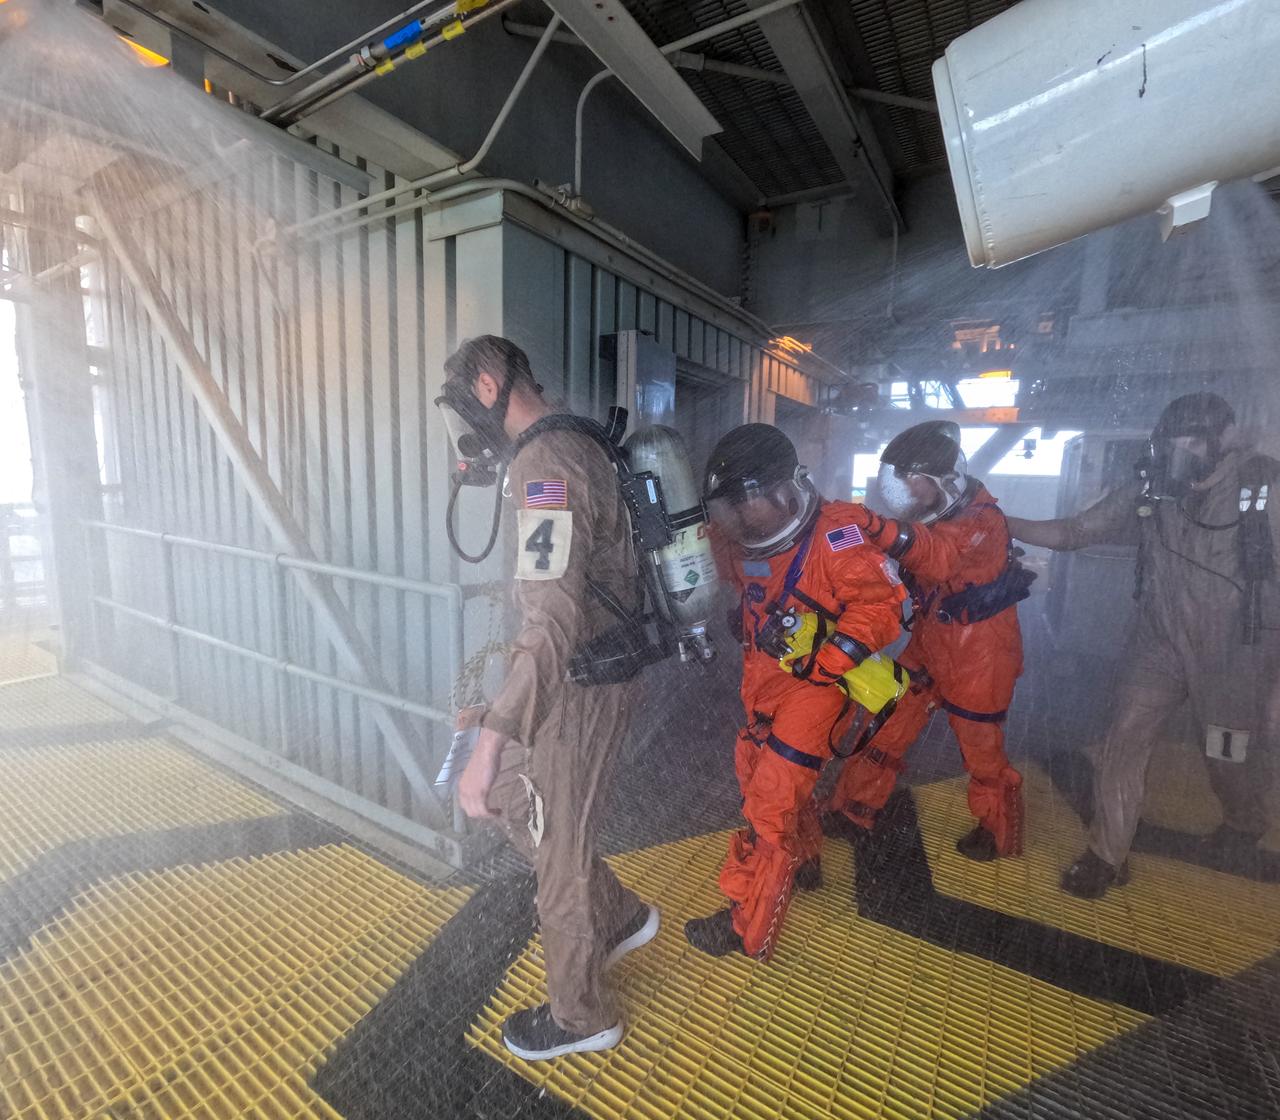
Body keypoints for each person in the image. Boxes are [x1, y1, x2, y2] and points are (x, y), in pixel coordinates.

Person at [440, 336, 660, 1060]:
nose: (466, 426)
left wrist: (492, 738)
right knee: (519, 804)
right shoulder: (577, 442)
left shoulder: (545, 466)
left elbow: (554, 620)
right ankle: (621, 915)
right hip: (582, 677)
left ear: (487, 381)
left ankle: (580, 1017)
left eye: (463, 404)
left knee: (556, 852)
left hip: (581, 687)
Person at [1006, 392, 1280, 898]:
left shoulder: (1263, 486)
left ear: (1225, 439)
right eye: (1174, 443)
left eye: (1196, 442)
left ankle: (1244, 820)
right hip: (1157, 643)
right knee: (1123, 740)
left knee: (1227, 756)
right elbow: (1075, 531)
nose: (1184, 455)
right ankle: (1106, 854)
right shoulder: (1151, 488)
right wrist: (999, 522)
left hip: (1233, 653)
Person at [684, 424, 905, 960]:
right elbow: (697, 572)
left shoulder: (837, 536)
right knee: (758, 775)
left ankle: (747, 927)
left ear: (784, 491)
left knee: (770, 804)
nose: (734, 520)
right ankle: (802, 862)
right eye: (726, 508)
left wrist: (826, 662)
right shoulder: (734, 539)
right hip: (764, 682)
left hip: (817, 689)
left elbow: (881, 607)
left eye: (744, 505)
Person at [825, 421, 1031, 860]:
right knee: (889, 720)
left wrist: (871, 523)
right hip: (933, 639)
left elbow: (935, 558)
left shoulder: (982, 520)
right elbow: (895, 546)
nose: (908, 496)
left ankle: (998, 832)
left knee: (981, 750)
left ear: (943, 482)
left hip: (982, 651)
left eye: (914, 487)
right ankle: (854, 809)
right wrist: (836, 529)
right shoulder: (931, 517)